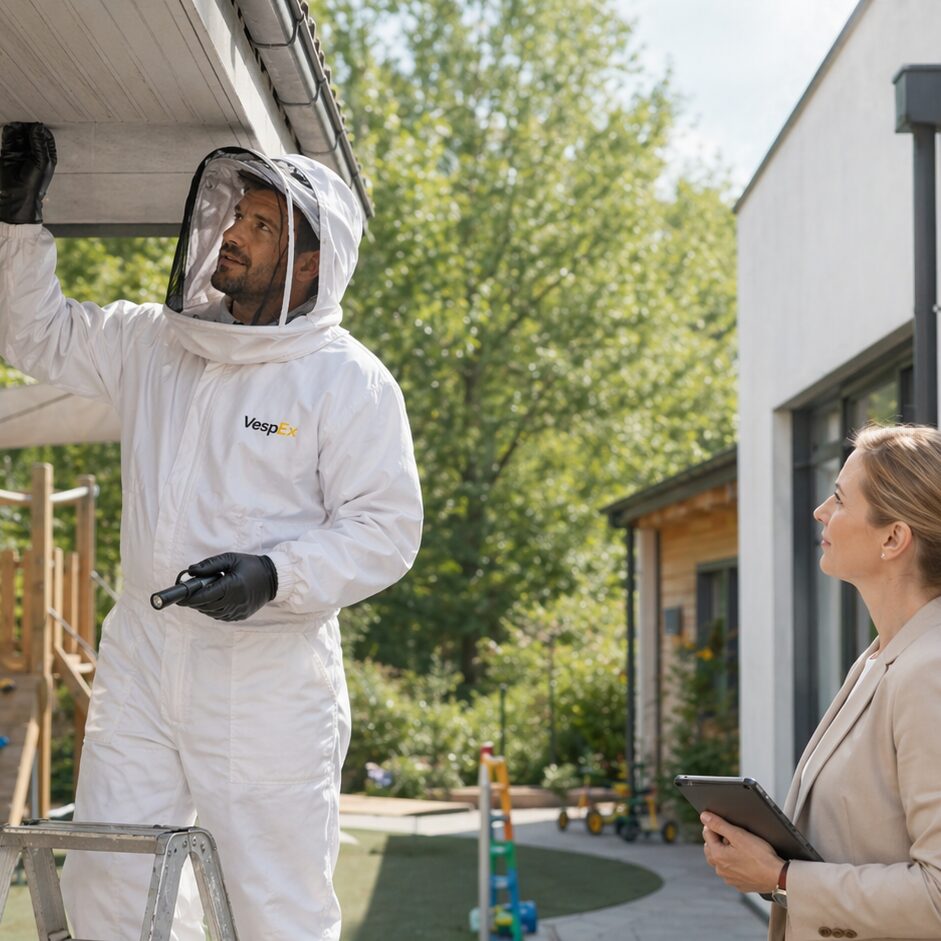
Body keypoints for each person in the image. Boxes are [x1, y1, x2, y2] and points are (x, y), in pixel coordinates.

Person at [0, 122, 423, 939]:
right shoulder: (155, 346)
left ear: (309, 263)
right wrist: (17, 224)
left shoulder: (344, 380)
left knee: (274, 906)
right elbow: (34, 335)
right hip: (142, 660)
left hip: (265, 679)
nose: (232, 234)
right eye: (237, 216)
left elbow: (385, 528)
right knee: (113, 886)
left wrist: (273, 575)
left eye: (261, 227)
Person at [702, 423, 941, 940]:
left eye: (838, 498)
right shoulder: (881, 658)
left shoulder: (930, 672)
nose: (819, 512)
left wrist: (782, 878)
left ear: (894, 538)